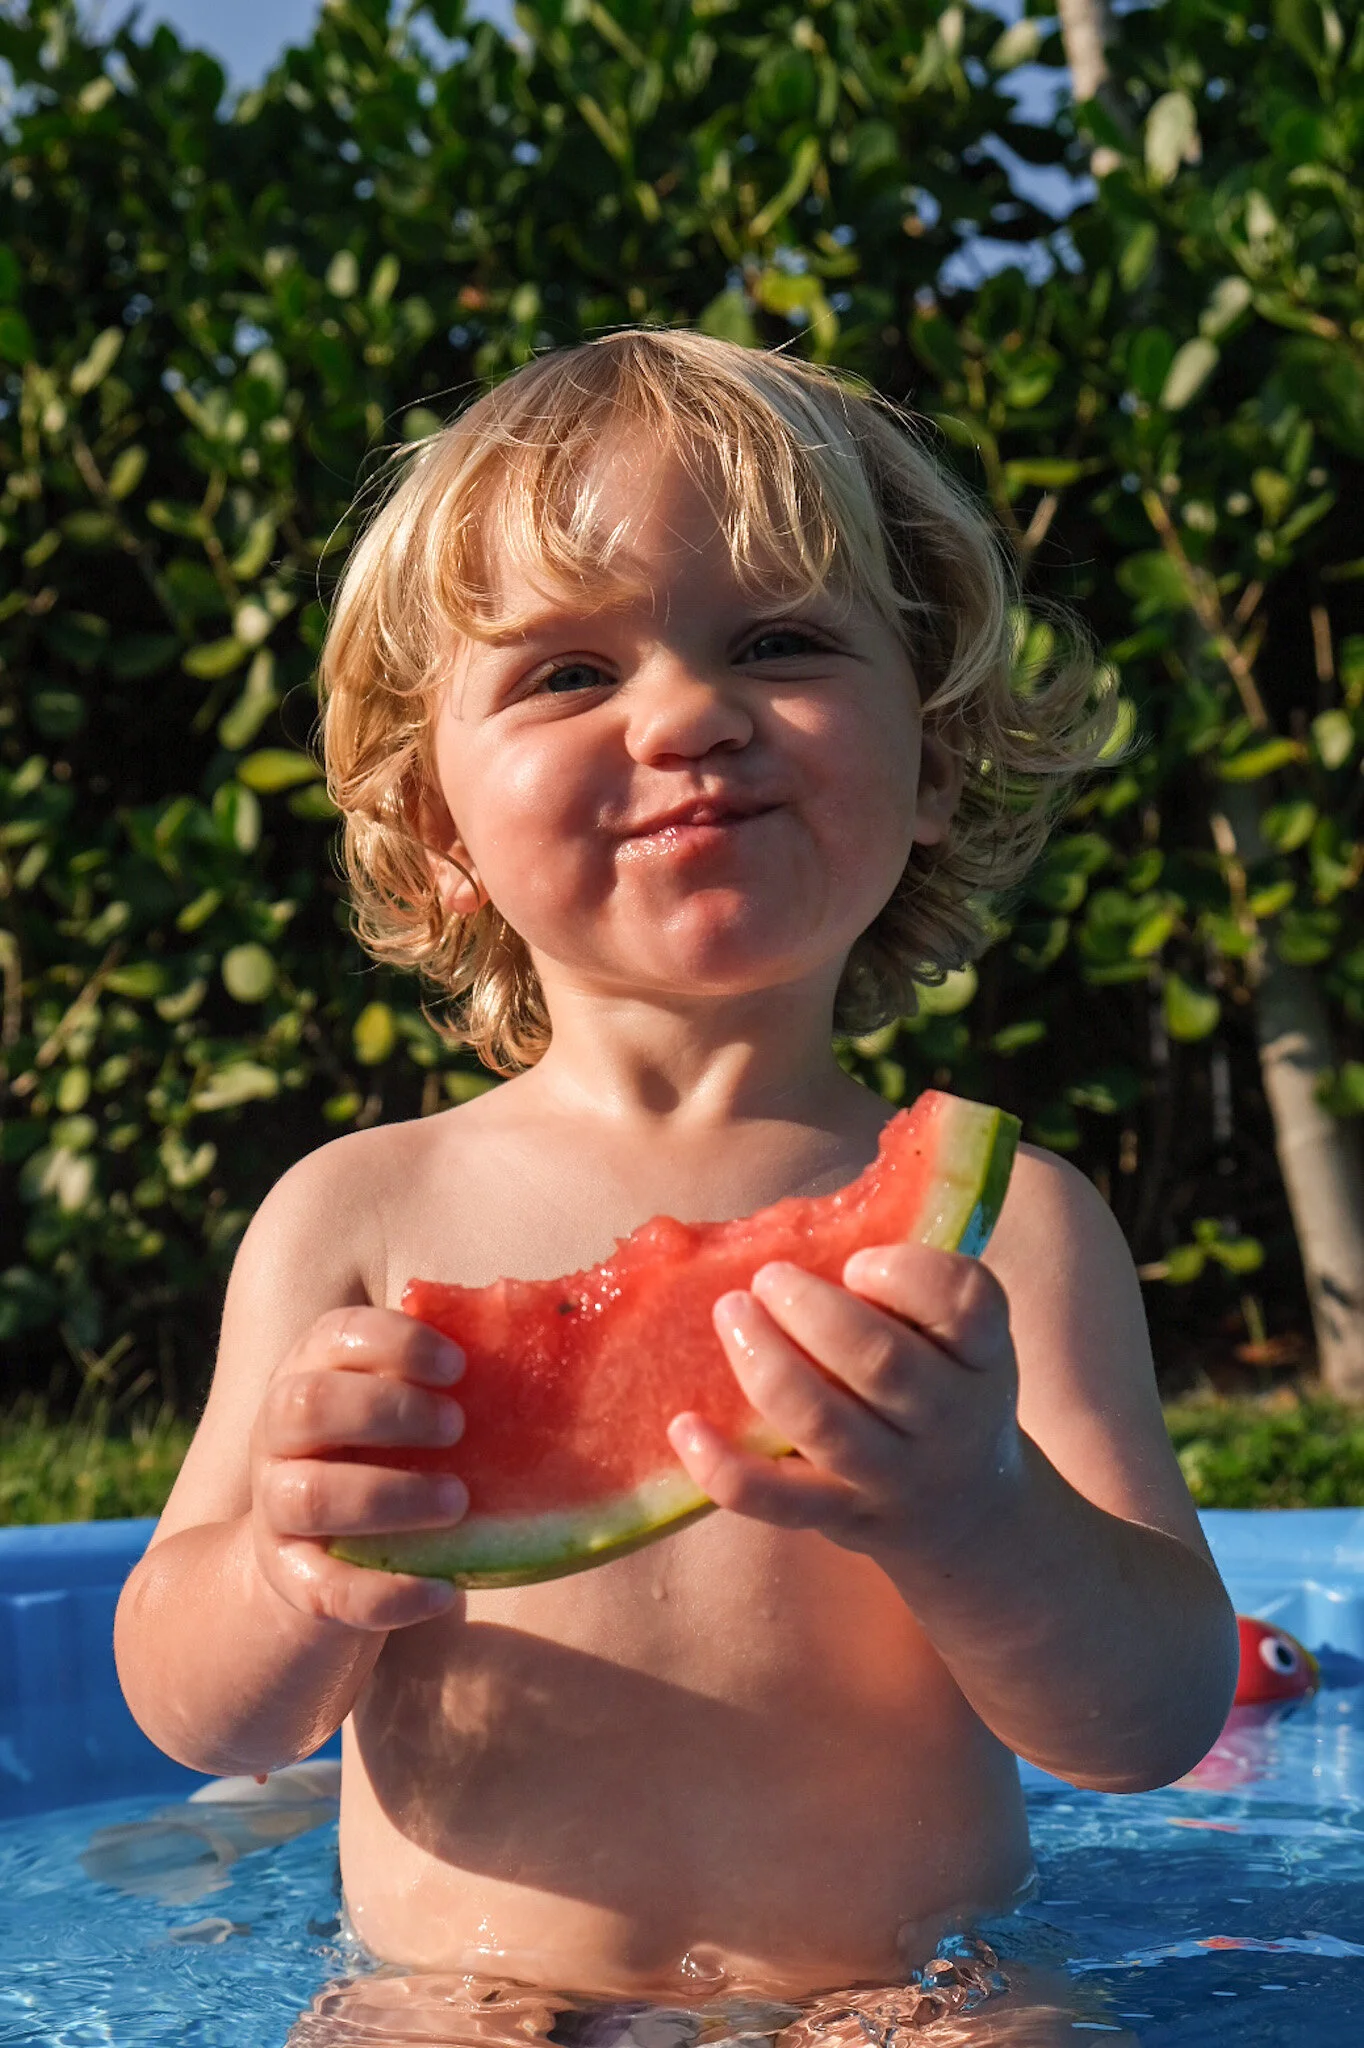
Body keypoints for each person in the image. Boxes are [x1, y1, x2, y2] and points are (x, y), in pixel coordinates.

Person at [114, 328, 1238, 2039]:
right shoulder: (355, 1216)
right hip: (456, 1994)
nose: (689, 714)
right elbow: (195, 1713)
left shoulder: (1010, 1222)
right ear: (434, 817)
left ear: (933, 760)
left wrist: (982, 1512)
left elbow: (1152, 1717)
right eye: (567, 674)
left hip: (898, 1996)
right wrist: (281, 1573)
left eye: (780, 643)